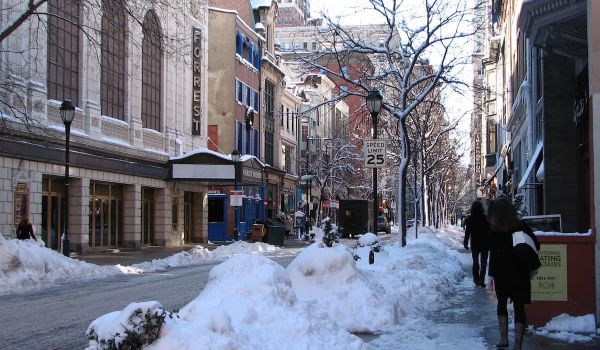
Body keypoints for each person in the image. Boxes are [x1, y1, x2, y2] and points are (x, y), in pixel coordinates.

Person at [487, 197, 540, 350]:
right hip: (520, 273)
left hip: (502, 274)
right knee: (519, 307)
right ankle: (518, 344)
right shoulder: (521, 226)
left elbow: (493, 255)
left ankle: (503, 339)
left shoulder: (494, 230)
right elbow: (535, 244)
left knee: (501, 305)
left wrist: (491, 275)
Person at [463, 200, 490, 287]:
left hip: (475, 243)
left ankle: (476, 279)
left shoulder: (470, 219)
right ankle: (481, 279)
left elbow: (467, 232)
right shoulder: (486, 218)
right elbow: (490, 232)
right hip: (485, 243)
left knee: (475, 262)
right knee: (483, 263)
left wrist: (465, 243)